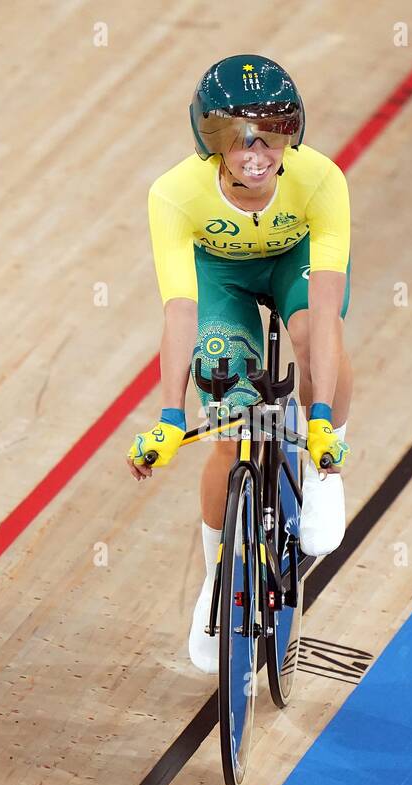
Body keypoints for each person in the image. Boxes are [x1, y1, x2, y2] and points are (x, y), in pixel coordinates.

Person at [126, 54, 354, 673]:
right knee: (228, 414)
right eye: (235, 135)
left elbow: (327, 310)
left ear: (292, 134)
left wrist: (323, 419)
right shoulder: (174, 194)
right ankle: (217, 579)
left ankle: (324, 475)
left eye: (271, 132)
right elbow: (179, 314)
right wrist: (172, 415)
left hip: (295, 264)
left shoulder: (322, 181)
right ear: (210, 140)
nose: (255, 150)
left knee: (310, 335)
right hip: (220, 277)